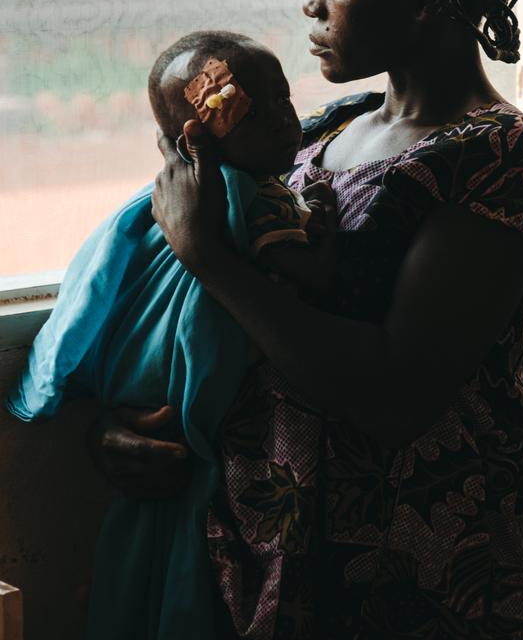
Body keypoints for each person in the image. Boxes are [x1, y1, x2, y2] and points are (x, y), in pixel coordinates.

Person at [90, 0, 523, 639]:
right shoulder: (315, 138)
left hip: (416, 587)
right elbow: (216, 332)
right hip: (263, 561)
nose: (311, 4)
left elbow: (393, 396)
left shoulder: (501, 170)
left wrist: (208, 258)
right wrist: (137, 427)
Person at [6, 31, 337, 640]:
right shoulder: (253, 198)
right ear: (193, 143)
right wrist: (327, 229)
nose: (286, 125)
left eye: (286, 102)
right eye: (256, 114)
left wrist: (203, 249)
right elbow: (310, 270)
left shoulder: (228, 201)